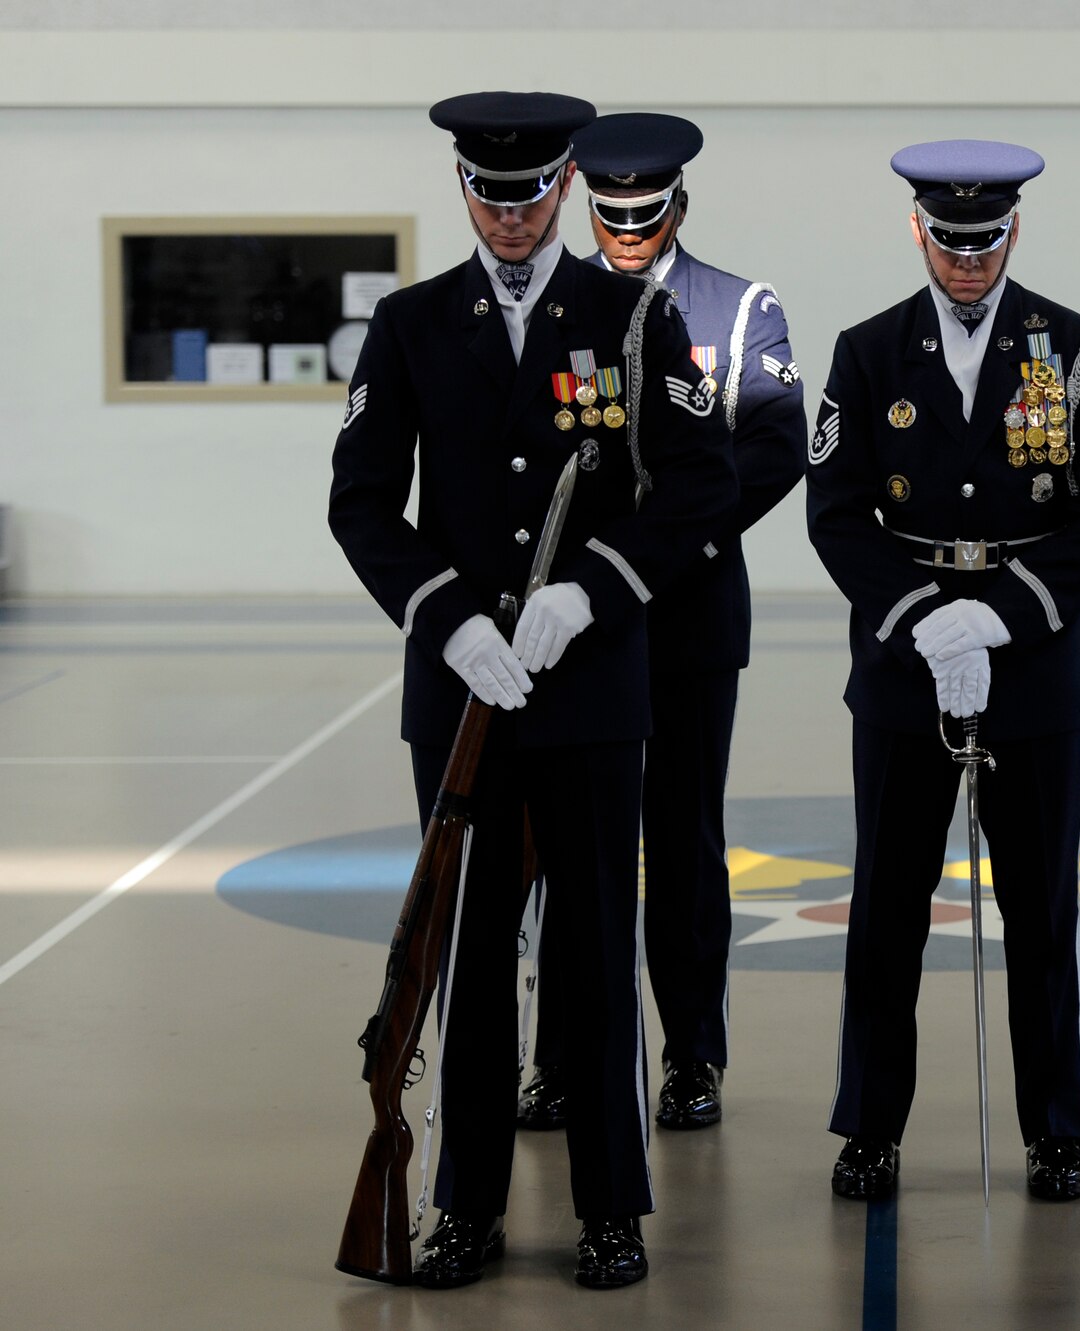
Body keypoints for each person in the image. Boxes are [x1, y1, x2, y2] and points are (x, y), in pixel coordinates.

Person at [328, 91, 737, 1290]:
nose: (511, 218)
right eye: (489, 196)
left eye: (531, 195)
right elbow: (360, 502)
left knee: (597, 950)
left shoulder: (631, 316)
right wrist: (445, 616)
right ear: (465, 192)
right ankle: (466, 1204)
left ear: (564, 186)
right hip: (460, 691)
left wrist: (594, 589)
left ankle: (611, 1206)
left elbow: (699, 481)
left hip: (588, 684)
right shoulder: (408, 325)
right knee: (466, 953)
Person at [805, 139, 1080, 1203]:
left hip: (1034, 661)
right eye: (947, 241)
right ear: (918, 231)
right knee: (887, 905)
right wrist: (919, 619)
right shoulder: (865, 352)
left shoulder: (1075, 348)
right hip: (907, 663)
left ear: (1012, 232)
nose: (965, 260)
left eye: (984, 240)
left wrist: (1000, 618)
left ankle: (1055, 1126)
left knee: (1041, 905)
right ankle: (868, 1124)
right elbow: (834, 510)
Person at [514, 111, 807, 1134]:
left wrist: (660, 541)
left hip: (684, 611)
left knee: (682, 840)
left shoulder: (737, 309)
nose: (628, 231)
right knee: (567, 845)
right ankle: (560, 1057)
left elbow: (775, 447)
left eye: (646, 214)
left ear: (679, 204)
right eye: (611, 214)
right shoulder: (553, 305)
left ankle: (691, 1054)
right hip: (578, 621)